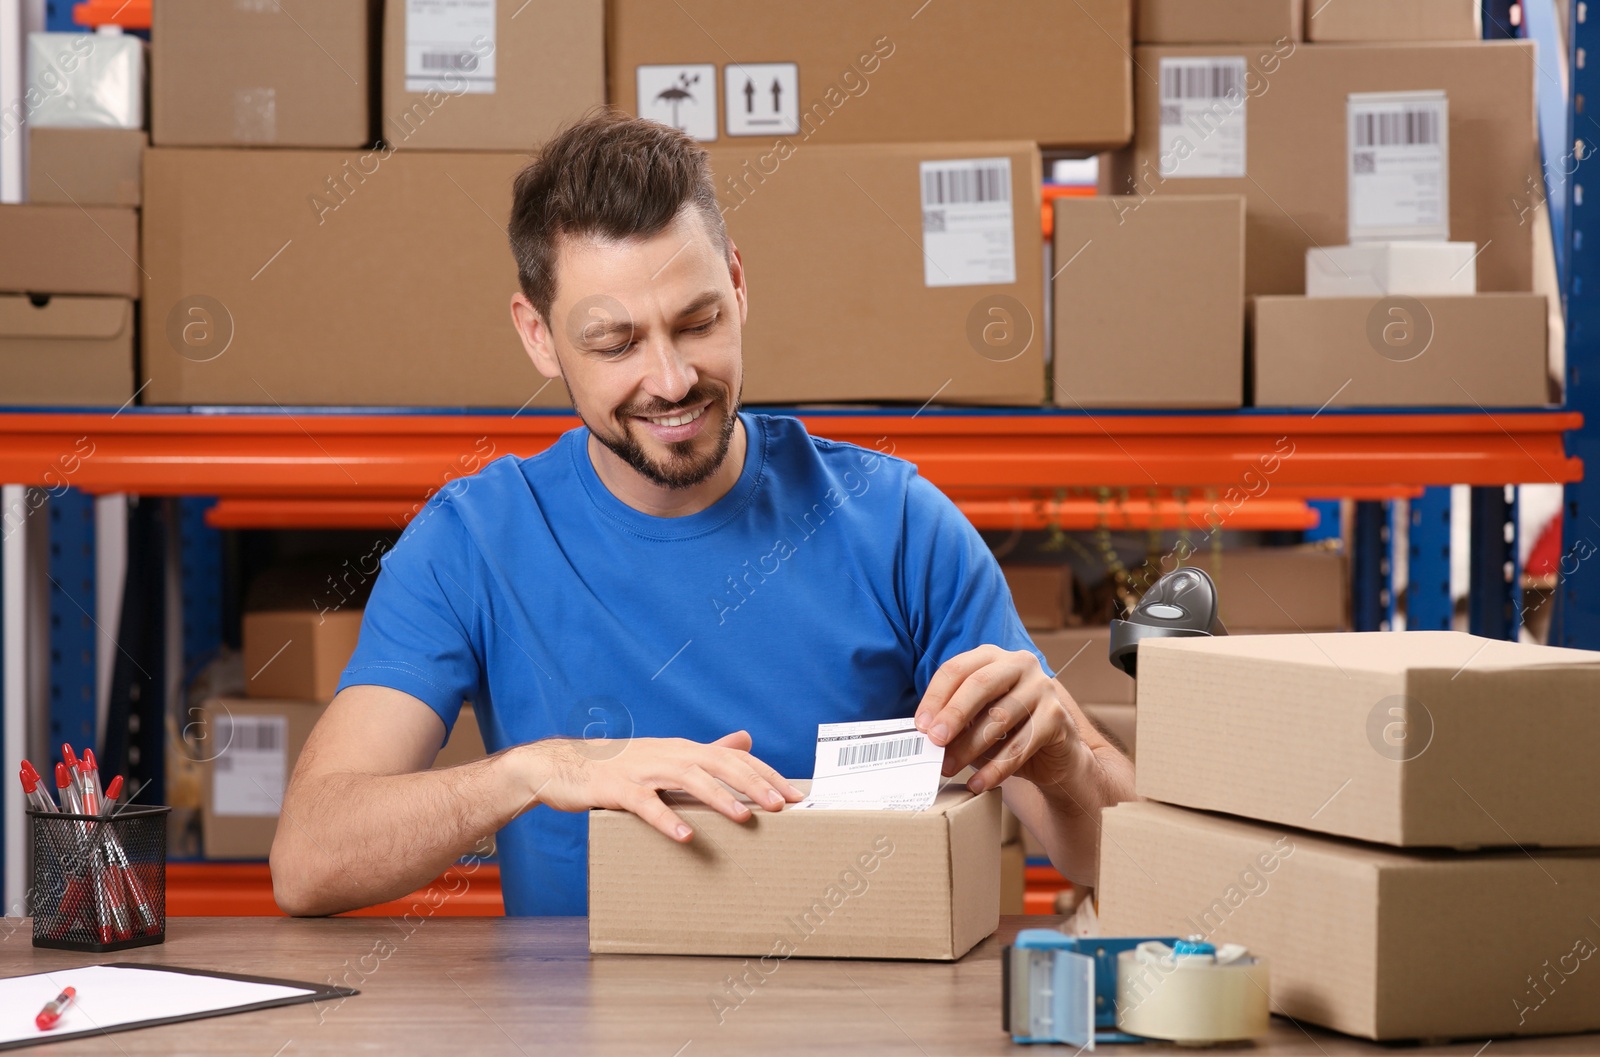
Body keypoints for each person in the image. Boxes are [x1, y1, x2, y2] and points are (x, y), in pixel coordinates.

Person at [269, 112, 1134, 917]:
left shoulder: (898, 525)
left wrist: (1065, 768)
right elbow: (308, 859)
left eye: (698, 321)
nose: (674, 378)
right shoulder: (473, 542)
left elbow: (1123, 859)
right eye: (616, 343)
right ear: (538, 335)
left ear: (739, 282)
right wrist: (537, 769)